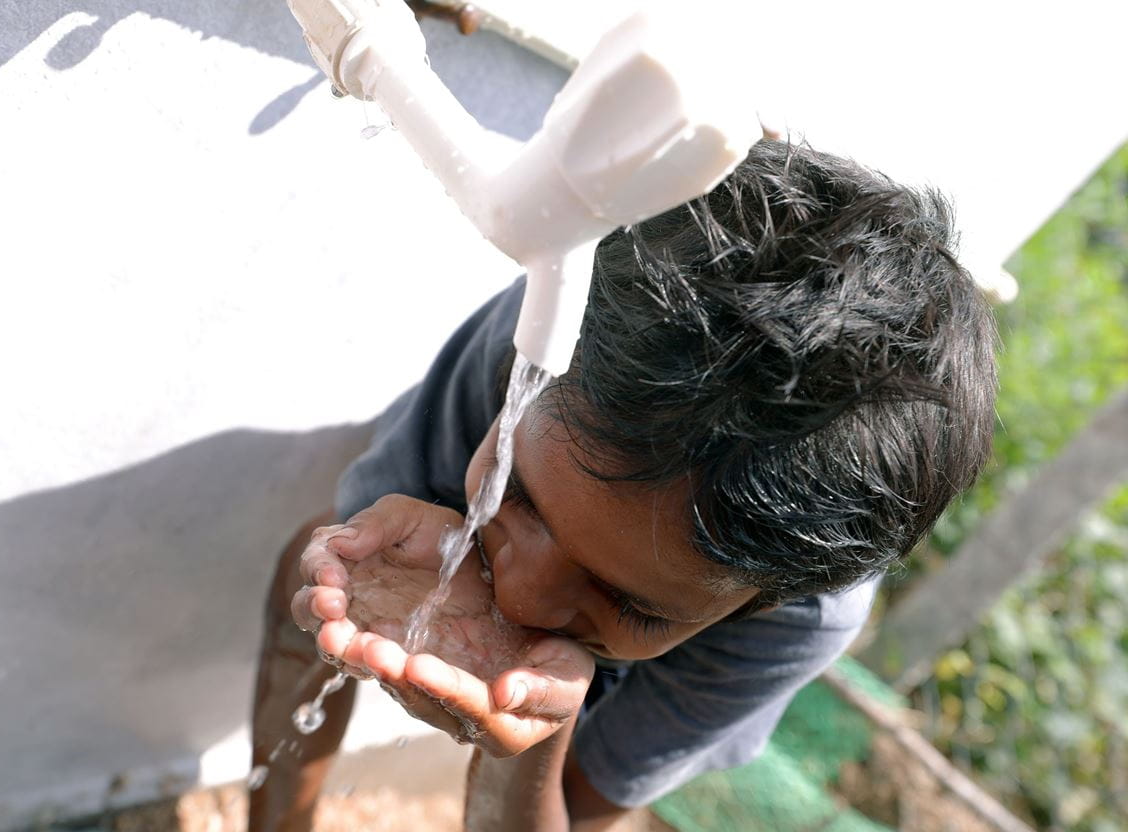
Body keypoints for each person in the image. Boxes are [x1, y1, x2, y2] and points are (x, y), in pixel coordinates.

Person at [247, 139, 998, 831]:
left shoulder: (794, 620)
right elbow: (328, 569)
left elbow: (571, 813)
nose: (523, 597)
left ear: (756, 604)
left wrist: (540, 739)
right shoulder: (549, 341)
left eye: (631, 603)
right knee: (335, 573)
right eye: (516, 496)